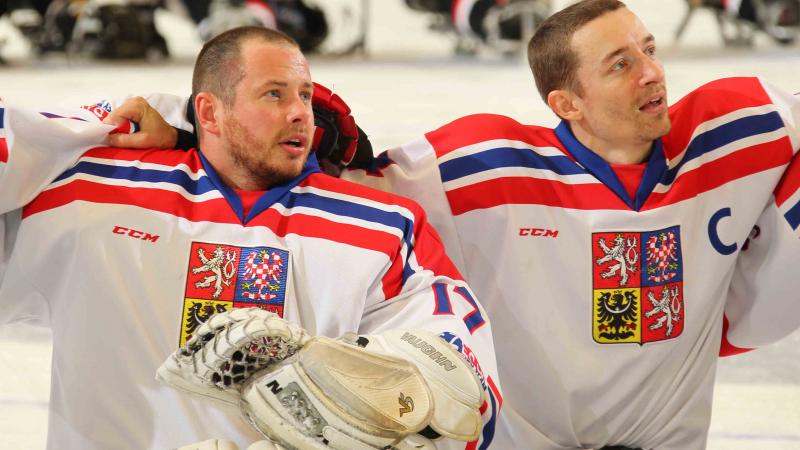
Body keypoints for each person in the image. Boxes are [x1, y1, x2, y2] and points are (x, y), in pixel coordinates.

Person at [116, 1, 800, 449]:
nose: (652, 73)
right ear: (567, 102)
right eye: (621, 65)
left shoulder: (736, 128)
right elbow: (334, 175)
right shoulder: (483, 163)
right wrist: (183, 127)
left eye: (649, 50)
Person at [0, 27, 501, 450]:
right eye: (275, 94)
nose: (301, 112)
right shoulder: (89, 192)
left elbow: (459, 377)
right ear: (209, 112)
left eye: (305, 95)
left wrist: (402, 398)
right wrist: (122, 118)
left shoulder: (383, 225)